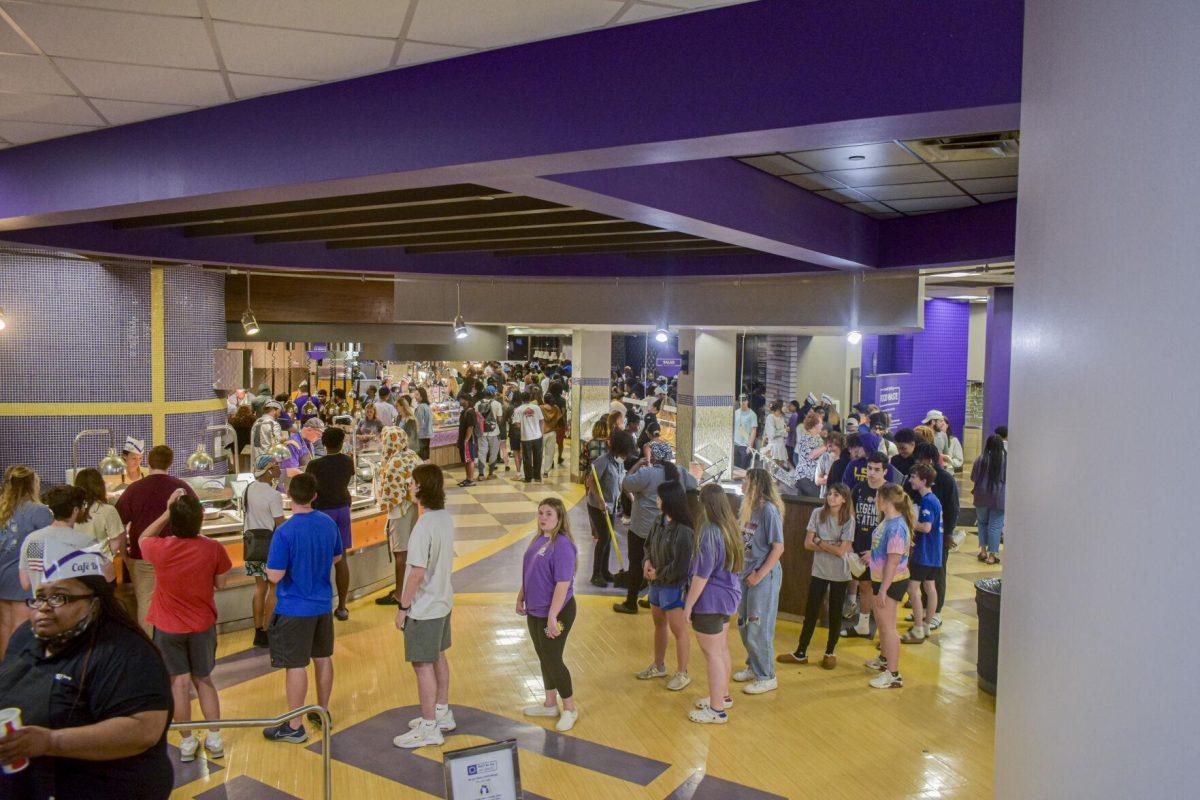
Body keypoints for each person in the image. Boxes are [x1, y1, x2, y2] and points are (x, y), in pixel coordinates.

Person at [0, 553, 173, 800]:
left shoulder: (125, 653)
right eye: (39, 598)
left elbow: (144, 730)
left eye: (59, 597)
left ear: (94, 602)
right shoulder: (25, 637)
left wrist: (51, 741)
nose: (44, 607)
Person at [138, 489, 231, 762]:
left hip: (168, 628)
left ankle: (188, 742)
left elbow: (143, 536)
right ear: (200, 521)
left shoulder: (160, 548)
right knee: (204, 680)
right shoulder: (213, 548)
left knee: (178, 683)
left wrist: (167, 510)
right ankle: (215, 737)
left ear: (172, 521)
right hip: (202, 624)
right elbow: (221, 584)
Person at [262, 474, 344, 744]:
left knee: (296, 665)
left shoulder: (285, 532)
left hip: (294, 608)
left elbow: (274, 575)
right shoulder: (328, 524)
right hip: (322, 604)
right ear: (315, 496)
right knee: (323, 658)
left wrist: (265, 568)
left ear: (288, 496)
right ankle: (322, 712)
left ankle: (295, 725)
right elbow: (337, 557)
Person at [393, 465, 457, 749]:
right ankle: (442, 711)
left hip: (424, 607)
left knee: (422, 665)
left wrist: (403, 607)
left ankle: (429, 726)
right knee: (438, 656)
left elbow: (416, 574)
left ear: (422, 488)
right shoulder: (445, 519)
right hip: (443, 601)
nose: (410, 486)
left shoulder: (423, 527)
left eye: (413, 483)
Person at [115, 445, 197, 635]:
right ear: (170, 462)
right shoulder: (181, 487)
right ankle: (173, 645)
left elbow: (118, 525)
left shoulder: (134, 490)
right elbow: (195, 517)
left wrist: (124, 555)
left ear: (148, 462)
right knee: (176, 602)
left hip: (141, 556)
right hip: (175, 556)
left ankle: (150, 650)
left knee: (146, 604)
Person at [517, 498, 580, 731]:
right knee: (544, 657)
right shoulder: (538, 540)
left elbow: (563, 584)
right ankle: (550, 703)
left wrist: (553, 616)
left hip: (556, 612)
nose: (543, 518)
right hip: (536, 610)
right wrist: (520, 595)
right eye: (541, 513)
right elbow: (530, 571)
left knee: (553, 658)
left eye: (549, 514)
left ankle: (570, 708)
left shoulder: (562, 545)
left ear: (560, 518)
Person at [683, 484, 743, 724]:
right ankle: (723, 696)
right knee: (721, 649)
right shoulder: (730, 527)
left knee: (712, 655)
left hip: (710, 600)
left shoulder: (708, 531)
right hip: (728, 596)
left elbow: (702, 574)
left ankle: (717, 710)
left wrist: (688, 605)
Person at [778, 482, 855, 669]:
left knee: (836, 613)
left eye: (836, 495)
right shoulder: (817, 513)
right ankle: (801, 652)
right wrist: (831, 545)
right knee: (811, 611)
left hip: (840, 572)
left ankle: (830, 652)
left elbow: (841, 552)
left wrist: (820, 541)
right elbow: (807, 544)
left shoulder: (849, 520)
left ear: (844, 499)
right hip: (819, 570)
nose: (831, 497)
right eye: (829, 494)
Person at [635, 475, 696, 691]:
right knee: (658, 624)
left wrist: (657, 573)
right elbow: (648, 546)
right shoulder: (658, 521)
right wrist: (647, 562)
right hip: (657, 584)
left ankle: (682, 672)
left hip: (673, 586)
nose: (656, 500)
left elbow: (680, 567)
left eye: (660, 497)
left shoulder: (685, 532)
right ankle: (659, 665)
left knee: (678, 629)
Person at [733, 468, 785, 695]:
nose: (742, 484)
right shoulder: (748, 508)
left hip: (764, 576)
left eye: (746, 481)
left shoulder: (769, 511)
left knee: (758, 626)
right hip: (746, 574)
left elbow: (778, 548)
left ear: (756, 485)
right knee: (744, 624)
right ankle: (753, 666)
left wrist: (759, 574)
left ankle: (767, 675)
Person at [864, 483, 914, 689]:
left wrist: (883, 590)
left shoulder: (896, 528)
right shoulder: (888, 521)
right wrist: (872, 556)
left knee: (888, 628)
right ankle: (885, 659)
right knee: (882, 624)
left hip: (891, 582)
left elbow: (893, 561)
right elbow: (883, 551)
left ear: (885, 501)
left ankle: (893, 674)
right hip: (880, 579)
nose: (875, 501)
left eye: (877, 498)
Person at [19, 484, 114, 592]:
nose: (85, 508)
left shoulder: (33, 540)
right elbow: (109, 575)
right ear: (75, 510)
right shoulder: (86, 543)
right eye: (84, 505)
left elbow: (26, 584)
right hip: (73, 606)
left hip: (42, 606)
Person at [305, 426, 356, 621]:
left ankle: (323, 606)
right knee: (341, 559)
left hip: (322, 513)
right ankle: (342, 607)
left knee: (322, 561)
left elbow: (308, 487)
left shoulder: (315, 465)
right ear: (341, 442)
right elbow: (346, 482)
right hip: (343, 510)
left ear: (323, 443)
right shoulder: (347, 461)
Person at [1, 466, 52, 655]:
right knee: (21, 628)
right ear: (32, 485)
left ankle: (4, 672)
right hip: (24, 576)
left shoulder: (2, 508)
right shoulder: (38, 511)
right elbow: (47, 541)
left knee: (4, 627)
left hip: (2, 574)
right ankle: (17, 673)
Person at [912, 441, 960, 628]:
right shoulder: (920, 486)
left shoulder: (946, 480)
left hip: (938, 538)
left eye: (921, 459)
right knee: (925, 577)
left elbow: (953, 509)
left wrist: (948, 534)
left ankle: (935, 613)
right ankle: (924, 611)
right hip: (923, 539)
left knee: (936, 575)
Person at [844, 452, 890, 639]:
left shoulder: (890, 492)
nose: (872, 473)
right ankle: (863, 624)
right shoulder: (859, 488)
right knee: (864, 585)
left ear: (885, 471)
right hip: (860, 544)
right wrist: (848, 543)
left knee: (881, 591)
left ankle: (885, 632)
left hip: (881, 550)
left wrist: (875, 551)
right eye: (869, 469)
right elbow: (851, 517)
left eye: (877, 470)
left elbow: (892, 526)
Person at [374, 427, 422, 607]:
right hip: (415, 509)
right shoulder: (413, 456)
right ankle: (411, 588)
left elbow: (389, 496)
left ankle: (399, 594)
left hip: (399, 512)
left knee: (400, 553)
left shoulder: (394, 462)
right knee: (411, 550)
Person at [244, 454, 285, 647]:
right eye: (276, 466)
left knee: (259, 588)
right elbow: (280, 524)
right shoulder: (273, 495)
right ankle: (269, 630)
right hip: (271, 547)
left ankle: (258, 631)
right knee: (273, 588)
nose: (279, 469)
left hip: (252, 547)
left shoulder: (248, 488)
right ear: (269, 471)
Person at [585, 429, 633, 587]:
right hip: (598, 506)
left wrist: (630, 495)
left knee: (608, 540)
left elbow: (621, 481)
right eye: (625, 453)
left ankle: (605, 571)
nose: (626, 456)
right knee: (604, 537)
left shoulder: (619, 462)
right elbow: (590, 481)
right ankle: (596, 574)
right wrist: (600, 501)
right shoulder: (602, 461)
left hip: (611, 506)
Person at [902, 464, 943, 644]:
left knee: (912, 588)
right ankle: (926, 626)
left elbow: (926, 527)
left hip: (924, 553)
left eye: (913, 477)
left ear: (924, 481)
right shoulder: (934, 500)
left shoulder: (927, 501)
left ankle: (918, 628)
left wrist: (908, 521)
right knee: (930, 587)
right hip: (934, 553)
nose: (910, 480)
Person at [73, 468, 125, 559]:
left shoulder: (70, 509)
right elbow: (116, 540)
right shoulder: (107, 510)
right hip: (99, 563)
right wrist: (107, 556)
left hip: (74, 563)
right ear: (100, 486)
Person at [971, 434, 1007, 565]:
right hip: (999, 497)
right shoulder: (1006, 460)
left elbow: (973, 478)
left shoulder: (980, 459)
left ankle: (983, 551)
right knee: (995, 526)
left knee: (982, 523)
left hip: (981, 495)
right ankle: (992, 556)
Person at [788, 411, 827, 496]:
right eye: (820, 423)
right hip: (806, 477)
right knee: (814, 501)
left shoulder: (817, 437)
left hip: (812, 477)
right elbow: (811, 455)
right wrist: (826, 446)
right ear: (815, 424)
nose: (822, 425)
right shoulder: (806, 438)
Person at [515, 389, 545, 485]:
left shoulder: (518, 410)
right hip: (537, 436)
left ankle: (528, 478)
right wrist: (541, 433)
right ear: (530, 398)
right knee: (538, 456)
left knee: (527, 457)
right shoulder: (536, 407)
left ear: (521, 399)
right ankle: (537, 477)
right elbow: (541, 421)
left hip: (526, 437)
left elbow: (518, 424)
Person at [475, 386, 503, 480]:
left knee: (482, 452)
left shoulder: (477, 404)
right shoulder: (497, 404)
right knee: (493, 453)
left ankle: (481, 475)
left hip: (482, 432)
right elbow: (499, 419)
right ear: (493, 393)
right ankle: (490, 474)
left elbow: (476, 418)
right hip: (494, 432)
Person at [455, 393, 480, 488]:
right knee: (466, 460)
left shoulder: (470, 412)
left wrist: (466, 440)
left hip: (468, 441)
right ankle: (467, 478)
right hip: (464, 440)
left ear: (466, 400)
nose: (459, 401)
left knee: (469, 460)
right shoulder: (465, 411)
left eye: (461, 399)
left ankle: (470, 479)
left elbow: (470, 427)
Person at [538, 389, 561, 477]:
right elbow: (560, 420)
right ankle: (546, 472)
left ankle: (537, 469)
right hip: (552, 432)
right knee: (550, 453)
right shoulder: (556, 409)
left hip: (541, 433)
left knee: (539, 452)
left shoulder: (540, 408)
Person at [815, 432, 845, 497]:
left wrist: (828, 477)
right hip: (825, 496)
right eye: (828, 441)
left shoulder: (845, 459)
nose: (829, 443)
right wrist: (829, 479)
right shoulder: (824, 457)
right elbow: (817, 481)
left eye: (832, 441)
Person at [732, 395, 758, 471]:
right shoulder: (736, 413)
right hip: (735, 444)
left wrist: (750, 446)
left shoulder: (752, 414)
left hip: (745, 445)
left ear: (747, 401)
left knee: (743, 468)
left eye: (744, 400)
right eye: (741, 400)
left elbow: (754, 430)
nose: (743, 402)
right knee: (734, 467)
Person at [762, 400, 788, 465]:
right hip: (773, 447)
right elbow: (772, 434)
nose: (786, 407)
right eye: (784, 406)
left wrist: (785, 431)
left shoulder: (781, 418)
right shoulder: (770, 417)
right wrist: (784, 431)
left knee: (779, 470)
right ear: (779, 408)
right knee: (771, 470)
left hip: (781, 446)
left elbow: (786, 435)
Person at [414, 386, 434, 460]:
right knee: (425, 456)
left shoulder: (421, 407)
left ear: (422, 396)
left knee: (421, 457)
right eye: (415, 395)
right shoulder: (427, 406)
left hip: (421, 435)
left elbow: (418, 423)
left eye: (417, 395)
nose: (415, 397)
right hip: (427, 434)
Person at [785, 400, 801, 465]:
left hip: (791, 441)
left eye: (790, 405)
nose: (789, 407)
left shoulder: (795, 415)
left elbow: (791, 428)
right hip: (791, 441)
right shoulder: (795, 415)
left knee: (790, 459)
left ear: (795, 407)